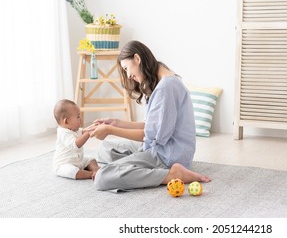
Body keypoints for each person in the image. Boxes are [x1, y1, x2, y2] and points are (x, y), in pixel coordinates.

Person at [88, 40, 211, 191]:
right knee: (105, 149)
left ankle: (171, 175)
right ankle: (137, 169)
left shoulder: (166, 88)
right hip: (160, 148)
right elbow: (151, 126)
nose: (128, 75)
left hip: (167, 156)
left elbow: (150, 136)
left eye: (127, 68)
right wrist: (115, 122)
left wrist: (110, 130)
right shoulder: (163, 82)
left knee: (103, 177)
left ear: (137, 59)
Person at [53, 99, 100, 180]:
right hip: (64, 165)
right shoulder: (63, 133)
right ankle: (91, 174)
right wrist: (88, 133)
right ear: (66, 121)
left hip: (78, 160)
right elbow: (75, 145)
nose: (80, 119)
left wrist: (92, 127)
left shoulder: (74, 129)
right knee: (72, 172)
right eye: (78, 117)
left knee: (91, 159)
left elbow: (83, 131)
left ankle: (96, 169)